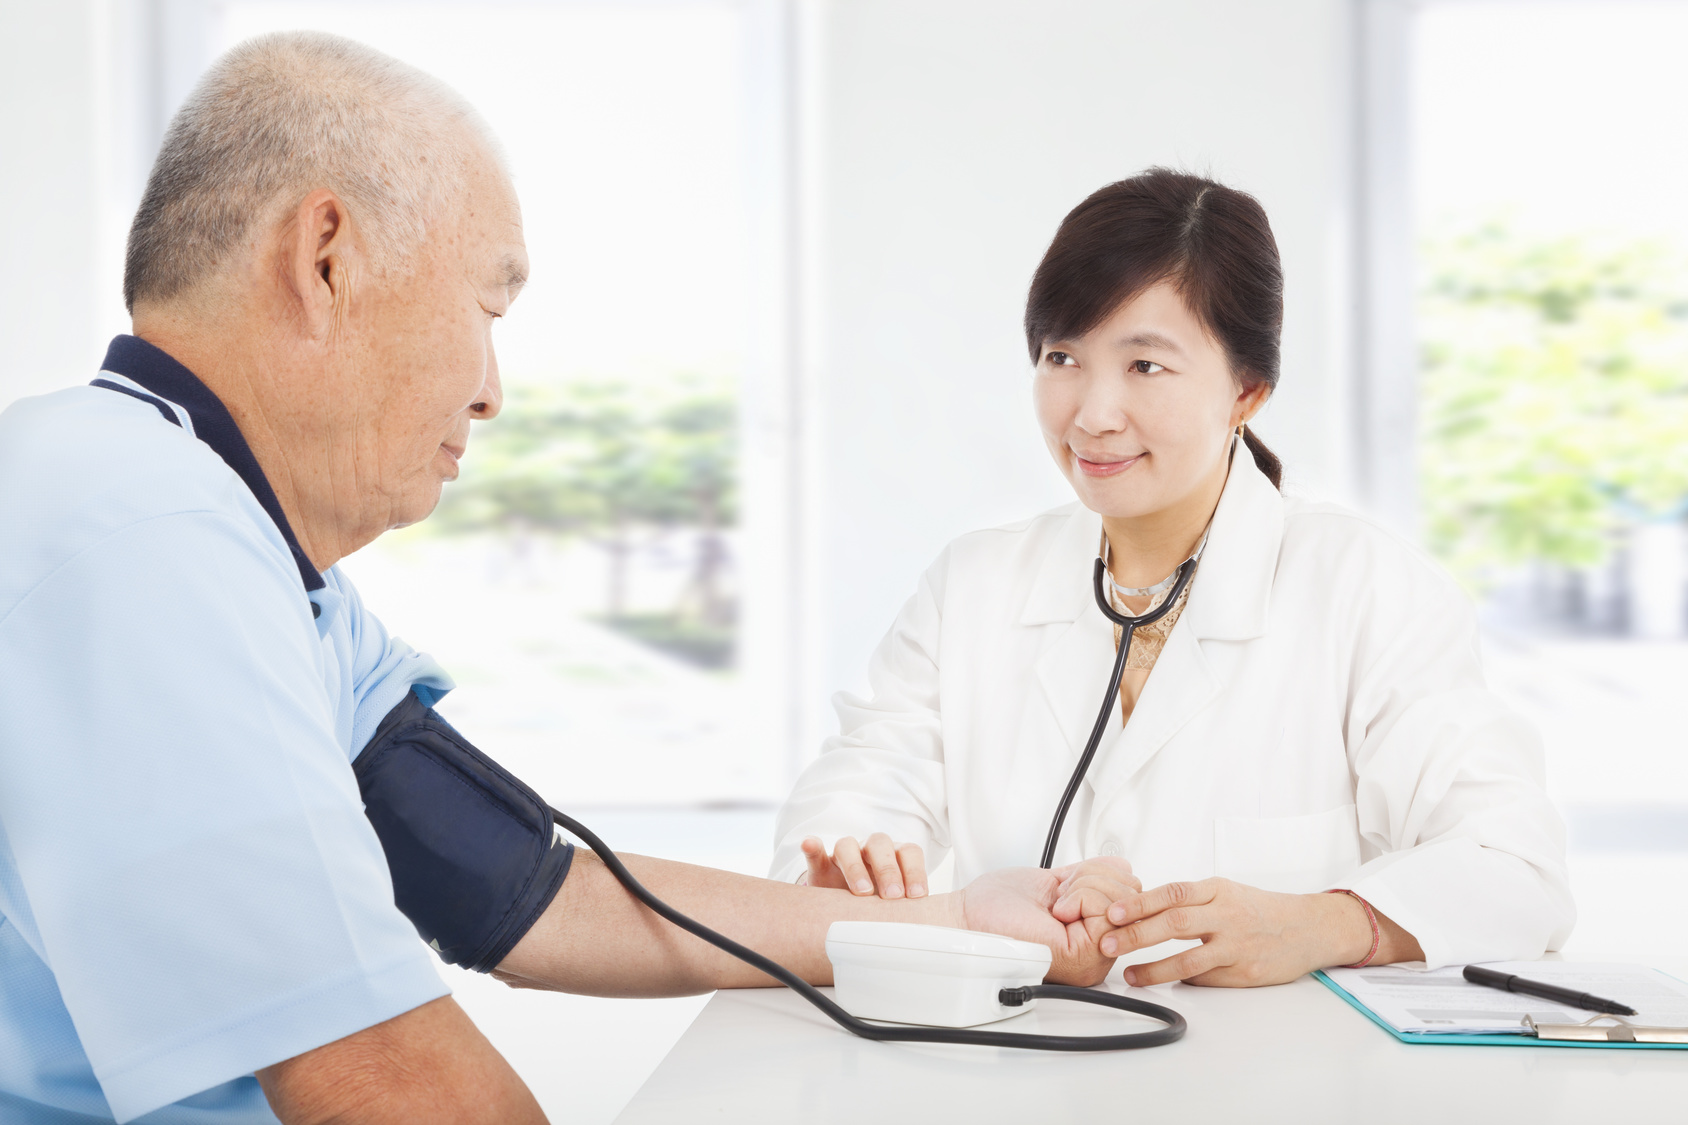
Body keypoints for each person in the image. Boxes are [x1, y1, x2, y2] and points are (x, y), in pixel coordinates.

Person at [0, 34, 1135, 1125]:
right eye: (488, 308)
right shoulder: (138, 537)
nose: (492, 392)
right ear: (326, 257)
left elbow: (517, 886)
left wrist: (952, 924)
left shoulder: (221, 533)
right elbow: (379, 1086)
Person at [772, 168, 1576, 988]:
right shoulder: (972, 587)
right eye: (1062, 357)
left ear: (1247, 390)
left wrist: (1323, 922)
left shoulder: (1365, 588)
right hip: (1013, 1082)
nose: (1091, 413)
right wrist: (848, 874)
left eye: (1145, 365)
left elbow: (1516, 867)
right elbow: (853, 798)